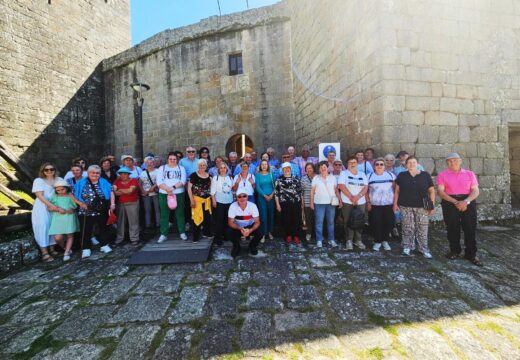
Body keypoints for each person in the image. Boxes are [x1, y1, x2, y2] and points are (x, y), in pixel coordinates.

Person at [437, 153, 482, 266]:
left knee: (470, 228)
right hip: (450, 201)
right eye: (450, 161)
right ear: (447, 163)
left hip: (467, 201)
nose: (453, 163)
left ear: (460, 161)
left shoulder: (470, 174)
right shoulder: (442, 175)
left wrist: (466, 201)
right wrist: (455, 202)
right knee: (452, 227)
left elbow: (475, 191)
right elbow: (441, 191)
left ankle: (471, 254)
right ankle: (455, 251)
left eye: (455, 160)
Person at [393, 156, 435, 258]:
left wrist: (432, 205)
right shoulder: (402, 175)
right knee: (407, 227)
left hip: (422, 206)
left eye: (414, 162)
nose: (411, 164)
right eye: (409, 163)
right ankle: (407, 247)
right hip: (405, 206)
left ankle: (423, 249)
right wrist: (395, 204)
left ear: (417, 164)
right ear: (406, 164)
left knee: (423, 228)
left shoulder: (425, 175)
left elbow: (432, 191)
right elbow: (397, 191)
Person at [73, 165, 115, 258]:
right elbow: (71, 194)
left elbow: (111, 192)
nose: (95, 174)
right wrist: (80, 203)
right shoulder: (81, 183)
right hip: (86, 210)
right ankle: (86, 248)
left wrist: (112, 204)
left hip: (102, 209)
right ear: (88, 173)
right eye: (93, 172)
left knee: (104, 228)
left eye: (97, 173)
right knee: (86, 230)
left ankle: (104, 245)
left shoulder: (104, 182)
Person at [32, 163, 63, 262]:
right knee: (43, 226)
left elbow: (64, 192)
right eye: (46, 170)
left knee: (52, 226)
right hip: (41, 207)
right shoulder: (39, 181)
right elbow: (39, 196)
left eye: (51, 169)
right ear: (43, 171)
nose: (49, 171)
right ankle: (44, 253)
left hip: (55, 206)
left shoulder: (59, 180)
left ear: (55, 170)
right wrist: (51, 206)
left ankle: (52, 249)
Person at [338, 156, 368, 250]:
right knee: (348, 221)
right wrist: (351, 197)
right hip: (347, 201)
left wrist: (357, 197)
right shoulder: (343, 173)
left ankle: (358, 240)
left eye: (354, 162)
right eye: (350, 162)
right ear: (347, 164)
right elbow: (341, 186)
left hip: (361, 202)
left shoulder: (362, 174)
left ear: (357, 163)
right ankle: (349, 240)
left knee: (359, 221)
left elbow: (365, 187)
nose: (352, 164)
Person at [156, 152, 188, 242]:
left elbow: (183, 180)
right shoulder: (162, 168)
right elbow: (159, 181)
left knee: (180, 213)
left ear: (177, 160)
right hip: (164, 193)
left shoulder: (181, 168)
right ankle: (163, 234)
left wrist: (173, 188)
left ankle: (182, 232)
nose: (173, 161)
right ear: (167, 159)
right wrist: (167, 189)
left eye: (174, 159)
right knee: (164, 214)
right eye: (171, 159)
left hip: (178, 193)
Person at [366, 158, 396, 251]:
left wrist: (395, 203)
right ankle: (377, 242)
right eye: (377, 164)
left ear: (384, 166)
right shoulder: (369, 176)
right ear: (374, 166)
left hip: (388, 204)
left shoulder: (391, 175)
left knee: (388, 223)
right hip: (375, 205)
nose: (379, 166)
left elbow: (396, 189)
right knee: (376, 223)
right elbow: (365, 191)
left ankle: (385, 241)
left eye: (381, 164)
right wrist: (368, 202)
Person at [311, 161, 340, 248]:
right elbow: (312, 191)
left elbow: (336, 190)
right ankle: (319, 240)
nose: (323, 168)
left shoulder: (333, 178)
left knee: (331, 222)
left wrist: (340, 201)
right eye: (321, 167)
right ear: (319, 169)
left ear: (327, 167)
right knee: (319, 222)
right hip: (319, 203)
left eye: (324, 166)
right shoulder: (316, 178)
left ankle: (331, 239)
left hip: (331, 203)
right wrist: (311, 203)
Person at [48, 180, 79, 261]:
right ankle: (65, 247)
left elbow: (75, 206)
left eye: (62, 189)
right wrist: (58, 209)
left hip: (69, 217)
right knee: (57, 238)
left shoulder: (70, 195)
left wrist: (71, 209)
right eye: (58, 190)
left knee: (69, 235)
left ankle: (67, 252)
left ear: (67, 188)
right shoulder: (55, 196)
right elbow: (49, 207)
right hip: (58, 219)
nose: (60, 192)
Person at [275, 162, 303, 247]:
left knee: (296, 220)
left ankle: (296, 236)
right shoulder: (279, 180)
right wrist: (277, 205)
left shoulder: (296, 179)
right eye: (285, 168)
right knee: (286, 219)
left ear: (291, 169)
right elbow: (276, 193)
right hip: (285, 203)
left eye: (288, 168)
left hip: (296, 203)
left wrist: (302, 203)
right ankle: (288, 236)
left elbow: (300, 192)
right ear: (282, 170)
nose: (287, 170)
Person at [227, 189, 262, 258]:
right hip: (238, 227)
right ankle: (236, 246)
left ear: (247, 197)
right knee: (228, 232)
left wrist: (250, 230)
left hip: (250, 226)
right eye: (239, 196)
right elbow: (230, 222)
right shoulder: (233, 206)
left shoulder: (252, 206)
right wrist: (240, 229)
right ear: (236, 198)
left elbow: (257, 222)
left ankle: (252, 246)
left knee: (261, 231)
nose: (242, 198)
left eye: (244, 196)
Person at [113, 167, 140, 245]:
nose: (123, 175)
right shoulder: (117, 181)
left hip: (133, 202)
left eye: (125, 174)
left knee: (133, 221)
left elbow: (130, 191)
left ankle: (134, 238)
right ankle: (120, 238)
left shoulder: (134, 181)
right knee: (120, 221)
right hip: (120, 203)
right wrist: (125, 191)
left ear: (129, 174)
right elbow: (114, 192)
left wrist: (120, 190)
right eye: (121, 174)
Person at [188, 159, 213, 242]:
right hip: (197, 201)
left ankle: (207, 233)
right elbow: (189, 188)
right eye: (200, 165)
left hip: (207, 201)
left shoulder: (209, 176)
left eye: (204, 165)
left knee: (207, 218)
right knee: (196, 219)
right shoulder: (194, 175)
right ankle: (196, 236)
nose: (202, 167)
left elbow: (211, 189)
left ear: (206, 166)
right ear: (198, 166)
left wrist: (213, 200)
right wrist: (191, 200)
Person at [211, 161, 234, 246]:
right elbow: (212, 191)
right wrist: (213, 201)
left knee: (227, 220)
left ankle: (226, 236)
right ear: (218, 169)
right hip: (219, 201)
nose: (223, 169)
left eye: (224, 168)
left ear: (227, 169)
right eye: (221, 168)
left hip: (229, 201)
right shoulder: (215, 178)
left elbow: (232, 189)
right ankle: (218, 238)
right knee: (219, 220)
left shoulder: (230, 178)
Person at [255, 159, 275, 242]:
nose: (264, 166)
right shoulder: (258, 175)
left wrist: (271, 195)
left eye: (265, 164)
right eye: (262, 164)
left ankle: (269, 232)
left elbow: (275, 185)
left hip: (271, 198)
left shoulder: (271, 174)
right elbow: (257, 187)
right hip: (262, 198)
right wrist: (264, 195)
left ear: (268, 166)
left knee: (271, 215)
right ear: (260, 166)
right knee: (263, 216)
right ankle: (263, 234)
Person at [140, 156, 160, 229]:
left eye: (151, 163)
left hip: (155, 193)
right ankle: (147, 225)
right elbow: (139, 183)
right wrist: (143, 191)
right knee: (147, 210)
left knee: (157, 209)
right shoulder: (142, 173)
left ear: (154, 163)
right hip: (146, 194)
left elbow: (160, 181)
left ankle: (158, 224)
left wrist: (153, 187)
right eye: (148, 163)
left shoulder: (158, 171)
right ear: (145, 164)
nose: (149, 164)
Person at [301, 162, 316, 242]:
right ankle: (309, 233)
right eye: (307, 168)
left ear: (313, 169)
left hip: (317, 201)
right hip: (307, 201)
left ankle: (317, 234)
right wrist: (302, 202)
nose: (309, 170)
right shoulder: (303, 179)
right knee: (308, 219)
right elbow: (301, 192)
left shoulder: (317, 177)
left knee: (318, 219)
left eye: (310, 168)